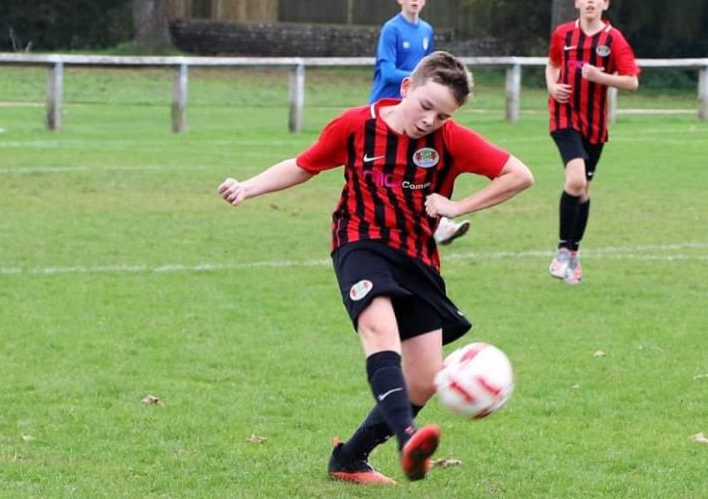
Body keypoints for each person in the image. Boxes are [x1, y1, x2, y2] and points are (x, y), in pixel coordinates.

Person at [218, 52, 534, 484]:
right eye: (426, 106)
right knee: (378, 329)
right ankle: (408, 440)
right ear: (406, 88)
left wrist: (458, 206)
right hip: (360, 242)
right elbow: (304, 165)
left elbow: (519, 175)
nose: (430, 121)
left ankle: (350, 459)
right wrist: (247, 186)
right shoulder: (355, 126)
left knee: (424, 379)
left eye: (443, 115)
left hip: (417, 255)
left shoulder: (450, 140)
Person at [546, 0, 640, 285]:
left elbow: (632, 81)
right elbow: (552, 64)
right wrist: (552, 86)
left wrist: (600, 77)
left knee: (583, 189)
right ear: (577, 3)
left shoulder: (613, 39)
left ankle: (574, 254)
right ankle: (562, 251)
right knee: (575, 181)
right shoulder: (563, 34)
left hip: (595, 126)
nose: (590, 2)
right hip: (564, 118)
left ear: (604, 4)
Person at [368, 0, 470, 245]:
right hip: (391, 111)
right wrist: (424, 83)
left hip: (420, 115)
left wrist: (431, 87)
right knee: (384, 174)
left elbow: (433, 68)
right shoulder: (392, 29)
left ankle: (437, 223)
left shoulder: (426, 30)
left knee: (424, 169)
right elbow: (388, 72)